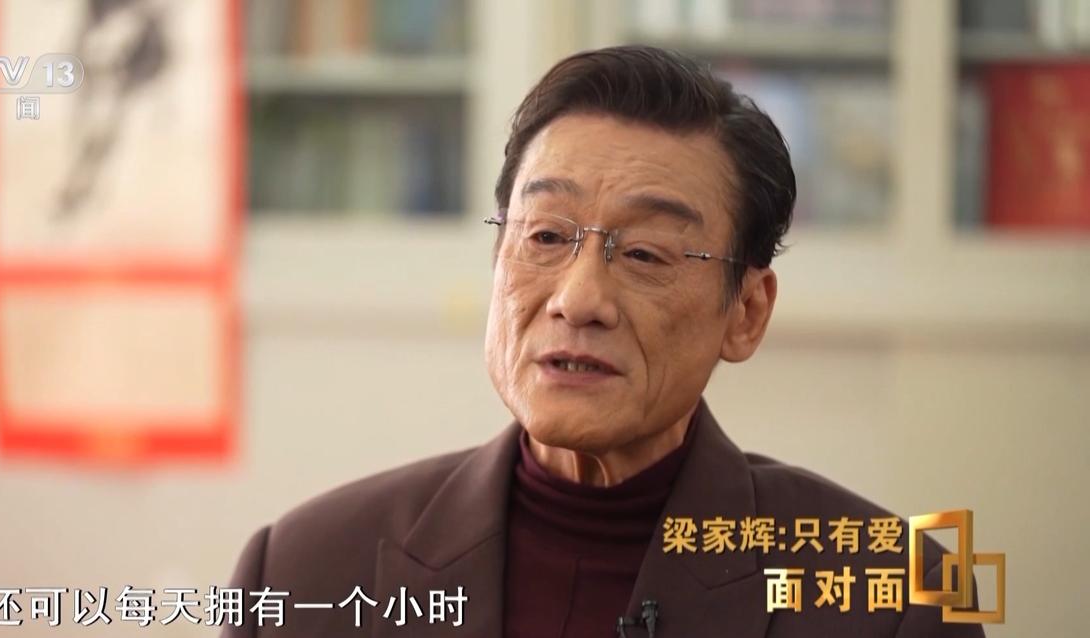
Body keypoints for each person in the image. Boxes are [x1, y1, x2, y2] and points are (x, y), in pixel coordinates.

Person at [222, 45, 984, 637]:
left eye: (647, 253)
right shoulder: (301, 571)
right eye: (546, 236)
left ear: (747, 312)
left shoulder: (893, 598)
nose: (579, 299)